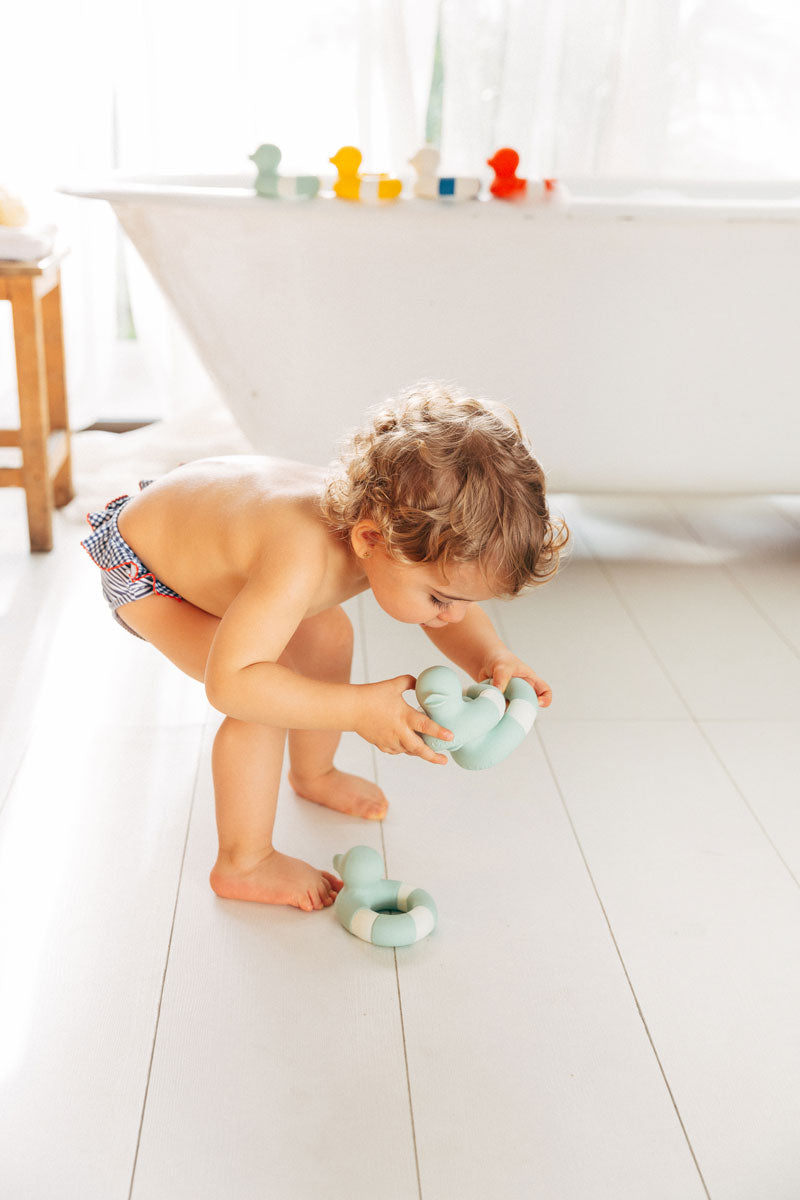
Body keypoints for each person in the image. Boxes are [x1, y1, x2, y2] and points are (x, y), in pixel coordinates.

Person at [81, 383, 569, 911]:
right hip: (151, 574)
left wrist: (489, 657)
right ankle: (243, 863)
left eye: (461, 601)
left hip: (212, 539)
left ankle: (313, 773)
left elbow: (450, 611)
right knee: (262, 699)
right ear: (369, 541)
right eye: (439, 598)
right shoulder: (301, 555)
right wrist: (358, 708)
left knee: (330, 632)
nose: (451, 613)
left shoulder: (384, 526)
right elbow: (232, 683)